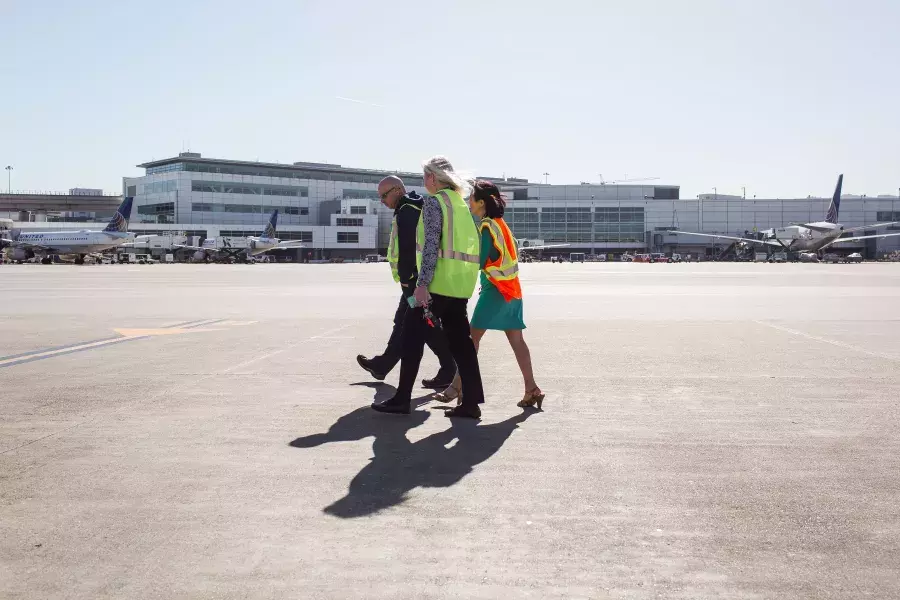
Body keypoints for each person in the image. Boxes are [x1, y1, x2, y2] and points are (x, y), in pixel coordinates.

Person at [371, 156, 485, 419]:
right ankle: (471, 403)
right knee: (462, 345)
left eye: (424, 177)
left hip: (437, 284)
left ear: (433, 178)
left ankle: (401, 399)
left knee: (411, 338)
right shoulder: (460, 204)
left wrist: (422, 285)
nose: (424, 183)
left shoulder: (435, 202)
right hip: (460, 285)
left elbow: (432, 244)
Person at [435, 180, 545, 409]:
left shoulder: (487, 227)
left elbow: (479, 260)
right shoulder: (501, 224)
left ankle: (456, 387)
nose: (469, 202)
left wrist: (451, 271)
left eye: (471, 198)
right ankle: (532, 388)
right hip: (512, 290)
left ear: (481, 202)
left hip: (495, 290)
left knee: (470, 340)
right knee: (517, 341)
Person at [356, 176, 456, 389]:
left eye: (384, 196)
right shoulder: (411, 206)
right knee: (406, 321)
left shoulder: (408, 210)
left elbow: (409, 250)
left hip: (414, 282)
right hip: (418, 281)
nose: (382, 201)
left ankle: (450, 368)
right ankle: (384, 364)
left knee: (421, 326)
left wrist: (407, 281)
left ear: (397, 190)